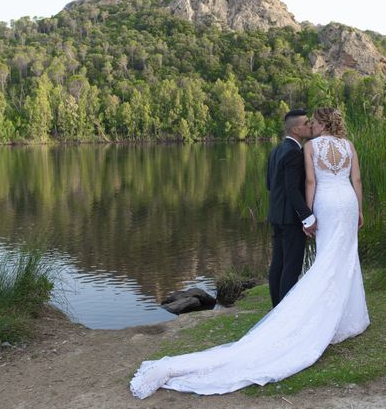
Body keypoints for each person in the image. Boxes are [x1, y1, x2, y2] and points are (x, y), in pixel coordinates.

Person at [129, 107, 369, 399]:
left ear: (323, 124)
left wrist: (311, 212)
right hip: (346, 203)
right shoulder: (348, 146)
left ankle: (286, 310)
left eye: (315, 122)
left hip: (317, 208)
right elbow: (356, 180)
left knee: (310, 262)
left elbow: (304, 183)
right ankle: (328, 313)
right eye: (308, 123)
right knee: (340, 260)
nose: (311, 126)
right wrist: (354, 209)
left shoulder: (299, 148)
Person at [266, 108, 318, 307]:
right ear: (296, 129)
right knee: (292, 266)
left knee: (277, 264)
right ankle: (285, 313)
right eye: (306, 123)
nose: (309, 126)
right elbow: (292, 189)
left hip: (276, 216)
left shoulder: (276, 150)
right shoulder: (295, 153)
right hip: (290, 219)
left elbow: (270, 185)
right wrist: (308, 217)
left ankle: (276, 309)